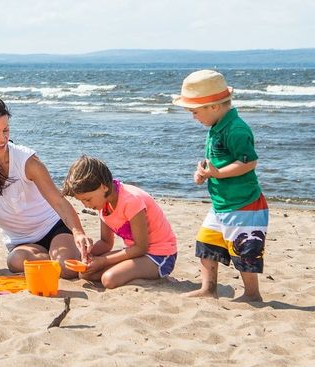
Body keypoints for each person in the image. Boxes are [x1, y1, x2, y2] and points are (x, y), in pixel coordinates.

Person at [0, 96, 92, 278]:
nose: (2, 139)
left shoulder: (27, 161)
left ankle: (73, 247)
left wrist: (78, 232)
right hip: (22, 243)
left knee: (66, 270)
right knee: (15, 262)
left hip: (53, 228)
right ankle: (58, 255)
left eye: (6, 130)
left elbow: (58, 202)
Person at [172, 69, 268, 302]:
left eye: (195, 112)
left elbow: (249, 161)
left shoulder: (235, 129)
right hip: (222, 204)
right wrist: (205, 173)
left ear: (213, 107)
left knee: (244, 249)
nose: (193, 117)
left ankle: (252, 294)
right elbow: (218, 162)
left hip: (244, 204)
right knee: (206, 242)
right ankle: (208, 288)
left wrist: (218, 173)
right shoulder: (217, 126)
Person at [62, 156, 178, 289]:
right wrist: (87, 253)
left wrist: (102, 261)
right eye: (82, 201)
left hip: (159, 256)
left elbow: (141, 247)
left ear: (103, 187)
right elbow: (106, 243)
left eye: (88, 199)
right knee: (85, 274)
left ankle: (154, 280)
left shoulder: (131, 201)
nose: (86, 205)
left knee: (109, 279)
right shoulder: (104, 204)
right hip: (135, 252)